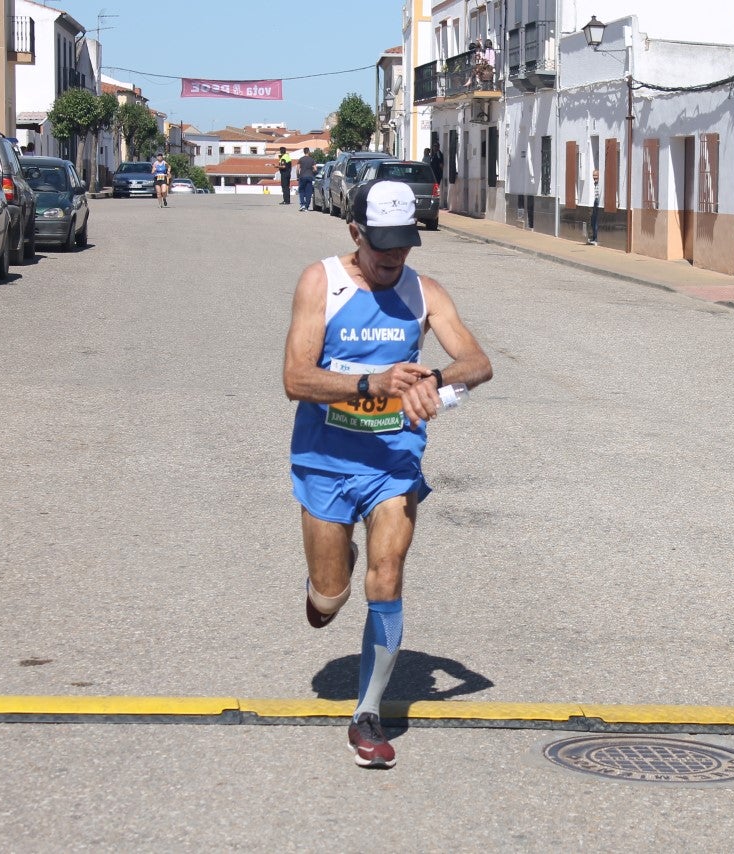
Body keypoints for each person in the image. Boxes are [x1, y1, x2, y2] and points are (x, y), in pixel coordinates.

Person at [282, 180, 492, 769]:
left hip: (393, 462)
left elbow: (479, 362)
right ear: (355, 234)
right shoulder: (321, 283)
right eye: (382, 247)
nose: (394, 257)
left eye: (403, 246)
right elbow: (296, 378)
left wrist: (435, 382)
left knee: (389, 572)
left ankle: (367, 713)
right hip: (325, 459)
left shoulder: (425, 293)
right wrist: (370, 384)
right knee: (328, 599)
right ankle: (328, 582)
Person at [297, 147, 316, 212]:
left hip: (302, 176)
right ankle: (307, 206)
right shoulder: (312, 160)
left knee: (301, 191)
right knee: (309, 192)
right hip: (310, 177)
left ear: (304, 152)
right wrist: (312, 171)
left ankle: (302, 204)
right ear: (308, 152)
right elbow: (315, 169)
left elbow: (297, 169)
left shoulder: (301, 159)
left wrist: (298, 176)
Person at [588, 168, 600, 245]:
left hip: (598, 203)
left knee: (595, 222)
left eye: (596, 175)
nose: (594, 177)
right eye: (593, 175)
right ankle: (593, 237)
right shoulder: (595, 183)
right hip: (595, 202)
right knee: (593, 221)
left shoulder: (600, 183)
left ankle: (595, 238)